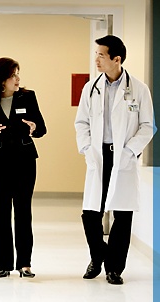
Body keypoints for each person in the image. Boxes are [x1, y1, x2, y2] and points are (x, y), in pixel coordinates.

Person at [74, 35, 156, 285]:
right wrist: (87, 148)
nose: (96, 59)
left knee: (122, 214)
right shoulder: (91, 87)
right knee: (90, 213)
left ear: (116, 59)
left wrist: (130, 151)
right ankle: (98, 256)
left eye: (101, 54)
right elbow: (81, 122)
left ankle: (114, 269)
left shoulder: (139, 89)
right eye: (96, 53)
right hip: (98, 156)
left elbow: (148, 125)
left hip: (123, 157)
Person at [0, 57, 46, 278]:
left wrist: (34, 127)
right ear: (1, 79)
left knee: (23, 213)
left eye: (17, 74)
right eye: (13, 74)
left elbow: (42, 128)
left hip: (24, 162)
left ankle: (25, 264)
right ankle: (3, 264)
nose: (18, 79)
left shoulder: (28, 96)